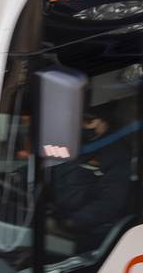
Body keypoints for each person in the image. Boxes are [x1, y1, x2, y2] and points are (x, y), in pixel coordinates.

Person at [47, 106, 132, 252]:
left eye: (88, 120)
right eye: (79, 119)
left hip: (92, 232)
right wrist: (16, 176)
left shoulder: (116, 155)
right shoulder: (70, 143)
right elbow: (47, 166)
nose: (81, 124)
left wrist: (69, 222)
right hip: (58, 217)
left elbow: (109, 203)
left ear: (104, 121)